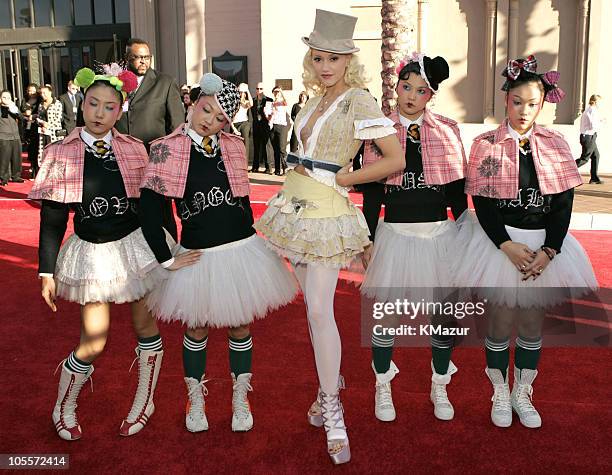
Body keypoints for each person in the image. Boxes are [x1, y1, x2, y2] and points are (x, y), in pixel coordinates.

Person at [255, 9, 404, 464]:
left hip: (325, 212)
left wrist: (350, 177)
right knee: (312, 312)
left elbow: (395, 160)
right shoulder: (310, 100)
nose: (324, 66)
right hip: (291, 207)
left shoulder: (359, 100)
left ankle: (333, 407)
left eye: (333, 59)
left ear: (348, 61)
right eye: (318, 57)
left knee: (321, 311)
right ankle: (327, 389)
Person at [139, 73, 297, 433]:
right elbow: (149, 208)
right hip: (198, 252)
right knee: (196, 329)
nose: (210, 121)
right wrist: (166, 258)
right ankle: (196, 400)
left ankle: (240, 399)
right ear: (194, 103)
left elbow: (242, 200)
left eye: (220, 118)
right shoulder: (166, 147)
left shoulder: (234, 145)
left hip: (241, 248)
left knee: (240, 326)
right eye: (206, 110)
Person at [28, 65, 175, 441]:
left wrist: (168, 253)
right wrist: (46, 270)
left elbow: (154, 208)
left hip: (136, 248)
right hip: (92, 254)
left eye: (109, 107)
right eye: (93, 104)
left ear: (120, 110)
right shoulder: (62, 152)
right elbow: (53, 218)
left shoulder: (134, 149)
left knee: (146, 328)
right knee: (94, 339)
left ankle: (145, 399)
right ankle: (64, 404)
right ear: (82, 102)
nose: (99, 113)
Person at [456, 56, 598, 429]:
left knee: (533, 324)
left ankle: (523, 391)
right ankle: (499, 391)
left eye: (532, 103)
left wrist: (551, 249)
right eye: (517, 101)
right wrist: (505, 244)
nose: (524, 110)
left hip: (544, 247)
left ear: (543, 103)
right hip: (500, 245)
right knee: (500, 322)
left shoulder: (555, 142)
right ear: (506, 99)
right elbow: (483, 203)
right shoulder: (485, 143)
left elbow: (564, 202)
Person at [359, 53, 468, 423]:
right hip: (394, 235)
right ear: (396, 87)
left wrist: (467, 233)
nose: (410, 96)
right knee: (385, 317)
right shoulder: (378, 131)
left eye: (420, 91)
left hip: (439, 235)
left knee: (442, 317)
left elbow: (456, 193)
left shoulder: (448, 131)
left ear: (430, 95)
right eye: (405, 87)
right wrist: (368, 238)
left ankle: (439, 384)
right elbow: (373, 193)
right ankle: (383, 386)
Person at [115, 37, 185, 240]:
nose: (143, 61)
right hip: (122, 160)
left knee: (161, 215)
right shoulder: (115, 82)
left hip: (154, 162)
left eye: (147, 57)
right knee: (129, 214)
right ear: (127, 58)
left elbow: (177, 126)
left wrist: (172, 161)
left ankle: (170, 251)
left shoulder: (165, 82)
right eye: (138, 57)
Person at [576, 94, 604, 184]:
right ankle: (566, 170)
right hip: (588, 137)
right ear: (595, 102)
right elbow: (593, 126)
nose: (600, 104)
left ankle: (594, 178)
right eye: (599, 102)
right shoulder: (592, 110)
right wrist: (602, 122)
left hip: (589, 136)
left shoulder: (590, 109)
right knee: (584, 158)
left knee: (596, 156)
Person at [36, 84, 63, 171]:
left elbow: (58, 118)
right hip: (43, 132)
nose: (43, 95)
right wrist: (41, 123)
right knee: (44, 151)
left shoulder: (57, 103)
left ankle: (56, 170)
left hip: (54, 132)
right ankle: (45, 170)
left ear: (50, 92)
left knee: (55, 152)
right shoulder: (40, 105)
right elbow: (38, 117)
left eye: (45, 93)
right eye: (41, 93)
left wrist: (48, 125)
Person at [0, 90, 24, 185]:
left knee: (17, 157)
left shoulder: (13, 107)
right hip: (3, 136)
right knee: (4, 158)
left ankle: (16, 176)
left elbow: (21, 118)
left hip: (15, 136)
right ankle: (3, 177)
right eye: (4, 97)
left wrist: (13, 108)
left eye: (8, 98)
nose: (6, 99)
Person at [250, 82, 274, 173]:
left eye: (261, 89)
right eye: (257, 89)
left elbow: (271, 113)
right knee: (256, 147)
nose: (259, 90)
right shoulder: (253, 101)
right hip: (256, 125)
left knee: (266, 147)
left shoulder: (268, 100)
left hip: (265, 125)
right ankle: (255, 167)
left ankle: (268, 168)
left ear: (263, 89)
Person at [20, 84, 41, 178]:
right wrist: (25, 114)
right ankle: (32, 167)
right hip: (27, 126)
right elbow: (20, 112)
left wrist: (33, 116)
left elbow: (41, 113)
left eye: (33, 91)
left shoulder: (40, 100)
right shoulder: (24, 100)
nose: (31, 93)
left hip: (36, 126)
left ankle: (37, 169)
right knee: (30, 148)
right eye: (29, 91)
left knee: (36, 147)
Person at [269, 86, 289, 175]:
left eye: (278, 92)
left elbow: (285, 100)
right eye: (275, 92)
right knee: (276, 149)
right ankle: (277, 169)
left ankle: (285, 168)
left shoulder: (283, 102)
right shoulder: (272, 103)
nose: (276, 93)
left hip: (282, 127)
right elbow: (269, 115)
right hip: (273, 126)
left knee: (282, 149)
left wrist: (281, 91)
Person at [233, 83, 253, 167]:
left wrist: (247, 90)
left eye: (243, 92)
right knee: (235, 145)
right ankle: (236, 164)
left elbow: (251, 104)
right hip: (235, 124)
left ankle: (245, 164)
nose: (241, 94)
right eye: (240, 92)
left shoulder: (246, 102)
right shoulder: (234, 101)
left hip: (244, 123)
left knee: (245, 145)